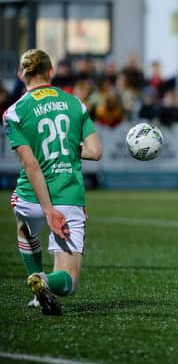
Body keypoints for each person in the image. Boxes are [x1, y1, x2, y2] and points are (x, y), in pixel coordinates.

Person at [3, 49, 103, 315]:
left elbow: (30, 164)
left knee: (25, 228)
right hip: (67, 196)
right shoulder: (75, 104)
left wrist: (45, 209)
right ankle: (44, 281)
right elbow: (95, 151)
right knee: (68, 280)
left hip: (30, 198)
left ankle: (36, 287)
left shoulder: (14, 112)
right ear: (51, 72)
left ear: (21, 75)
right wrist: (70, 148)